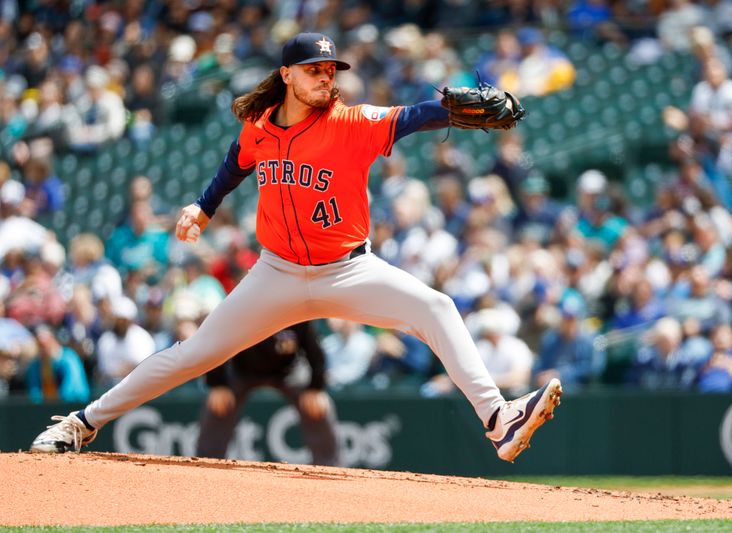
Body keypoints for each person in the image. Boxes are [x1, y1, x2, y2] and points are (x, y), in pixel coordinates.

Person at [30, 32, 561, 463]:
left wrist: (449, 111)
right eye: (314, 69)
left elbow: (414, 115)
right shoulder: (258, 127)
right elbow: (233, 165)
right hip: (276, 275)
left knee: (436, 307)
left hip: (347, 271)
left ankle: (499, 420)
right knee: (191, 355)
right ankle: (80, 424)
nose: (325, 77)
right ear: (287, 75)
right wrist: (203, 207)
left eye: (331, 70)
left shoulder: (351, 123)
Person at [196, 322, 338, 466]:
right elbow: (218, 343)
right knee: (218, 403)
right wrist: (218, 383)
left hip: (288, 371)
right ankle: (206, 464)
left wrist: (315, 388)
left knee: (317, 405)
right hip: (242, 371)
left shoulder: (295, 307)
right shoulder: (242, 308)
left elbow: (315, 351)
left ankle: (329, 466)